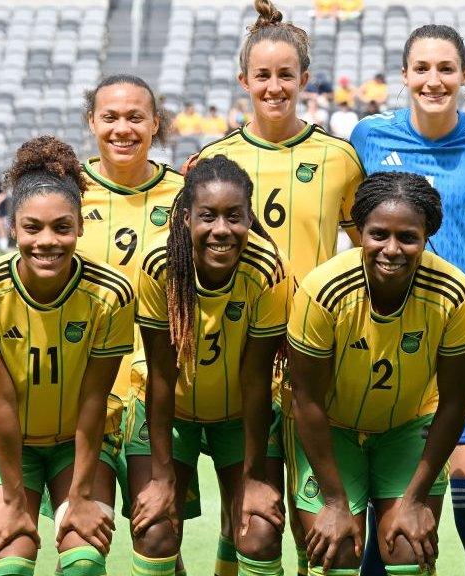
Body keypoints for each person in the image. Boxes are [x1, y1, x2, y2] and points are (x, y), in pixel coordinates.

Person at [194, 2, 364, 572]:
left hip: (314, 360)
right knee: (247, 519)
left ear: (304, 80)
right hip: (239, 360)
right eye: (262, 76)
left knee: (320, 528)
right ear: (243, 81)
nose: (274, 87)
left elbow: (370, 251)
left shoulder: (339, 158)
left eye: (285, 75)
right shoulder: (212, 161)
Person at [348, 23, 465, 576]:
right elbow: (360, 228)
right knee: (397, 523)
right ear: (404, 76)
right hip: (388, 345)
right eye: (421, 68)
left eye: (446, 69)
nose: (433, 80)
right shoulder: (369, 137)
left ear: (464, 76)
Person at [287, 171, 465, 576]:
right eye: (378, 235)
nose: (391, 249)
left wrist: (414, 500)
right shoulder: (322, 290)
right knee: (336, 550)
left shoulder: (456, 294)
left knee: (409, 548)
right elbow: (306, 401)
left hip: (408, 428)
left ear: (426, 236)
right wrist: (336, 503)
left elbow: (455, 403)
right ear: (360, 231)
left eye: (407, 237)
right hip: (332, 430)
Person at [0, 135, 134, 576]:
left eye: (62, 226)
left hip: (79, 443)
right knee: (8, 567)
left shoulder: (111, 295)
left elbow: (95, 400)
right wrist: (15, 503)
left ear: (80, 226)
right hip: (5, 441)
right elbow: (1, 405)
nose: (47, 241)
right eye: (32, 228)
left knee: (85, 563)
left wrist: (80, 497)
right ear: (12, 227)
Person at [128, 156, 290, 576]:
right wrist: (162, 479)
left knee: (260, 529)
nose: (222, 230)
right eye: (208, 216)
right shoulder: (158, 265)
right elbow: (161, 376)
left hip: (240, 413)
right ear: (185, 218)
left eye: (234, 217)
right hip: (171, 411)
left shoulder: (267, 267)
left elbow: (257, 379)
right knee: (155, 528)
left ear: (250, 217)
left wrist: (254, 478)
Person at [79, 74, 201, 572]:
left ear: (156, 123)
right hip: (87, 389)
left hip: (162, 388)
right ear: (92, 123)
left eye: (136, 117)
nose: (123, 128)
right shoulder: (64, 194)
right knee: (85, 539)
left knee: (158, 529)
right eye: (110, 117)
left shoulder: (187, 196)